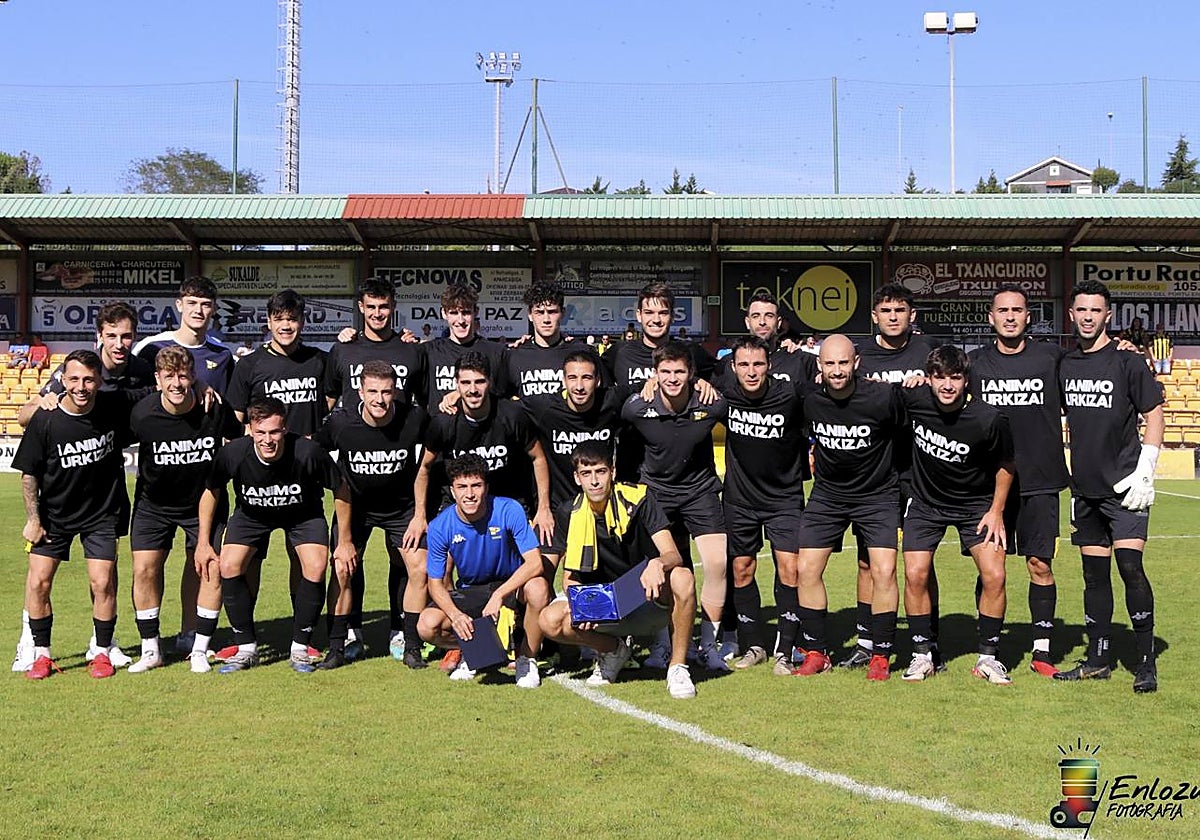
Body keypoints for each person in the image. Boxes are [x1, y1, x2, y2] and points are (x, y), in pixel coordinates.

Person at [14, 303, 156, 670]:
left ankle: (103, 645)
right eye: (112, 335)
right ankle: (31, 644)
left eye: (126, 335)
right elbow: (24, 419)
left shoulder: (141, 373)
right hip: (57, 506)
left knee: (105, 577)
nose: (119, 343)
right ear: (99, 337)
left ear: (135, 337)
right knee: (39, 579)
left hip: (103, 501)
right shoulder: (72, 373)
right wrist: (44, 402)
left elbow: (170, 388)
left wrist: (199, 387)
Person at [1055, 279, 1164, 693]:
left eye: (1095, 310)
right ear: (1071, 314)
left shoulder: (1127, 362)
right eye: (1081, 310)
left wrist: (1146, 470)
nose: (1087, 317)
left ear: (1108, 315)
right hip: (1085, 491)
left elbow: (1155, 414)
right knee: (1094, 575)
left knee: (1130, 568)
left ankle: (1145, 662)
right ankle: (1097, 660)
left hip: (1126, 488)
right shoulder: (1065, 364)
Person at [196, 396, 354, 674]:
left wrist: (345, 541)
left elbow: (341, 490)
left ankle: (300, 647)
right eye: (260, 432)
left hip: (303, 514)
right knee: (228, 564)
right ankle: (246, 648)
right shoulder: (234, 453)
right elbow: (211, 491)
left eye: (274, 432)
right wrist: (203, 542)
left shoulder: (308, 452)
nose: (267, 440)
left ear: (285, 428)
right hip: (252, 515)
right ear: (250, 429)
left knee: (316, 565)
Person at [539, 441, 699, 698]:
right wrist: (583, 604)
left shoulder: (640, 498)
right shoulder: (569, 512)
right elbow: (570, 578)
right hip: (603, 603)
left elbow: (673, 554)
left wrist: (657, 563)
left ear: (612, 472)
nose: (594, 481)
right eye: (586, 473)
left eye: (600, 472)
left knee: (682, 577)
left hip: (644, 595)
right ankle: (613, 651)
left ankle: (678, 668)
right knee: (549, 619)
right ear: (577, 478)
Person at [898, 345, 1016, 685]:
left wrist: (996, 511)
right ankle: (922, 654)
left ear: (966, 380)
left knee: (995, 575)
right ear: (929, 378)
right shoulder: (914, 399)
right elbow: (868, 393)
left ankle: (988, 658)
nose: (947, 385)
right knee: (915, 573)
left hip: (975, 506)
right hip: (925, 503)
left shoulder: (988, 418)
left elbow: (1007, 465)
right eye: (939, 377)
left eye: (955, 378)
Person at [968, 285, 1069, 677]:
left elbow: (1091, 367)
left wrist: (1125, 348)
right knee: (990, 568)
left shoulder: (1051, 357)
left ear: (1028, 317)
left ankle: (1041, 650)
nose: (1010, 317)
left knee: (1039, 564)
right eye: (1003, 310)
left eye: (1017, 310)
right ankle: (987, 650)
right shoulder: (975, 363)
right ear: (990, 317)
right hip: (988, 483)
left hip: (1040, 480)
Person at [791, 335, 905, 681]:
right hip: (828, 496)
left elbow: (906, 433)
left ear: (856, 363)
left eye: (843, 363)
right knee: (805, 569)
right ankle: (816, 652)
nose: (837, 370)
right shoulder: (809, 398)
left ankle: (880, 655)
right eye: (830, 364)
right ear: (819, 366)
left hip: (877, 495)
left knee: (883, 571)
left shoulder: (883, 397)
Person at [126, 346, 242, 673]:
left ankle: (197, 646)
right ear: (157, 379)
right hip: (153, 504)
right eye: (169, 376)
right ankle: (151, 650)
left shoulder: (213, 408)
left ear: (193, 376)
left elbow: (237, 438)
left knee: (209, 567)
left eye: (183, 375)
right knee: (144, 570)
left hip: (204, 500)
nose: (176, 383)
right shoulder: (142, 414)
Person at [841, 282, 939, 671]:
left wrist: (928, 383)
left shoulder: (928, 350)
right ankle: (867, 641)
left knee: (920, 563)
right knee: (868, 561)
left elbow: (953, 386)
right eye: (886, 310)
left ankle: (927, 643)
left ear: (912, 315)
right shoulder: (860, 355)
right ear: (874, 316)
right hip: (874, 472)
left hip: (920, 470)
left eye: (900, 310)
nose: (893, 317)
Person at [312, 361, 431, 669]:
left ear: (396, 392)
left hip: (401, 508)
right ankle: (338, 646)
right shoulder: (340, 424)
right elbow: (317, 458)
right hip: (356, 509)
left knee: (419, 568)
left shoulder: (414, 418)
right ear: (360, 391)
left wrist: (420, 514)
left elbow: (427, 463)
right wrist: (344, 539)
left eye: (387, 392)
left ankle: (410, 643)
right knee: (342, 568)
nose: (380, 399)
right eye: (373, 391)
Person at [621, 341, 729, 671]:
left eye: (679, 371)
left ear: (691, 373)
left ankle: (709, 645)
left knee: (717, 563)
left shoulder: (711, 403)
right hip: (657, 495)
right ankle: (663, 643)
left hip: (700, 491)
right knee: (666, 568)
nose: (672, 378)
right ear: (655, 373)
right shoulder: (638, 407)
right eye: (665, 371)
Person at [417, 454, 551, 688]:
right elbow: (435, 584)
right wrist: (456, 615)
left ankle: (526, 658)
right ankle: (476, 651)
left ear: (486, 487)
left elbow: (534, 563)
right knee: (427, 625)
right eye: (462, 487)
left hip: (511, 585)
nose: (469, 494)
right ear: (453, 491)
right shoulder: (440, 526)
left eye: (476, 485)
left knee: (538, 587)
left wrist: (499, 595)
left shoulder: (509, 509)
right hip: (472, 589)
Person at [715, 336, 808, 671]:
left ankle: (787, 647)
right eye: (744, 365)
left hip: (784, 498)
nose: (751, 371)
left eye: (758, 364)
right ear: (733, 367)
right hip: (740, 499)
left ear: (769, 366)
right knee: (741, 569)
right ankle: (754, 645)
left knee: (790, 569)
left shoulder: (791, 394)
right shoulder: (723, 394)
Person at [407, 352, 554, 550]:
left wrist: (543, 508)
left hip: (507, 499)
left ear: (490, 382)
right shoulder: (443, 422)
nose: (473, 390)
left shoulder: (512, 415)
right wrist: (419, 515)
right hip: (459, 503)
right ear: (456, 385)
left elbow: (538, 458)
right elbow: (424, 467)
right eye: (465, 383)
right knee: (437, 561)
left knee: (531, 564)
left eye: (479, 382)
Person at [520, 350, 625, 564]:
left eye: (586, 378)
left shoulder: (612, 401)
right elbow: (498, 404)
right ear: (563, 380)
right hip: (555, 510)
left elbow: (653, 386)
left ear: (597, 381)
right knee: (537, 578)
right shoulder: (544, 407)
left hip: (601, 509)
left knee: (599, 575)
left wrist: (656, 383)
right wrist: (542, 508)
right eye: (572, 378)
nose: (579, 386)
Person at [227, 289, 327, 437]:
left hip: (308, 450)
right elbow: (235, 421)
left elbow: (334, 395)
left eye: (292, 319)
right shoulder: (248, 365)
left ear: (302, 321)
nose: (285, 326)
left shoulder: (319, 360)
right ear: (269, 322)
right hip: (267, 449)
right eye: (278, 319)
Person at [324, 276, 426, 412]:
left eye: (383, 307)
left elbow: (426, 402)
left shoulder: (412, 350)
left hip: (399, 426)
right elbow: (329, 399)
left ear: (393, 306)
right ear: (361, 307)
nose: (377, 314)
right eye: (371, 307)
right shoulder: (342, 349)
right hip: (353, 426)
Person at [134, 276, 235, 395]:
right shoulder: (151, 347)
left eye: (205, 305)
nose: (198, 310)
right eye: (192, 303)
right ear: (179, 305)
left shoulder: (223, 354)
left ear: (214, 309)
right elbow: (138, 396)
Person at [506, 282, 601, 401]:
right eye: (539, 312)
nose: (546, 319)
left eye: (552, 312)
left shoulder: (583, 352)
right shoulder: (514, 355)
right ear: (530, 315)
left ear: (563, 313)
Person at [421, 283, 508, 409]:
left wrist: (461, 393)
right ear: (444, 313)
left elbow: (504, 396)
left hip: (482, 421)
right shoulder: (429, 352)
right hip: (440, 421)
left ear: (475, 312)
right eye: (454, 313)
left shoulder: (496, 352)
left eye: (466, 313)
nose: (461, 320)